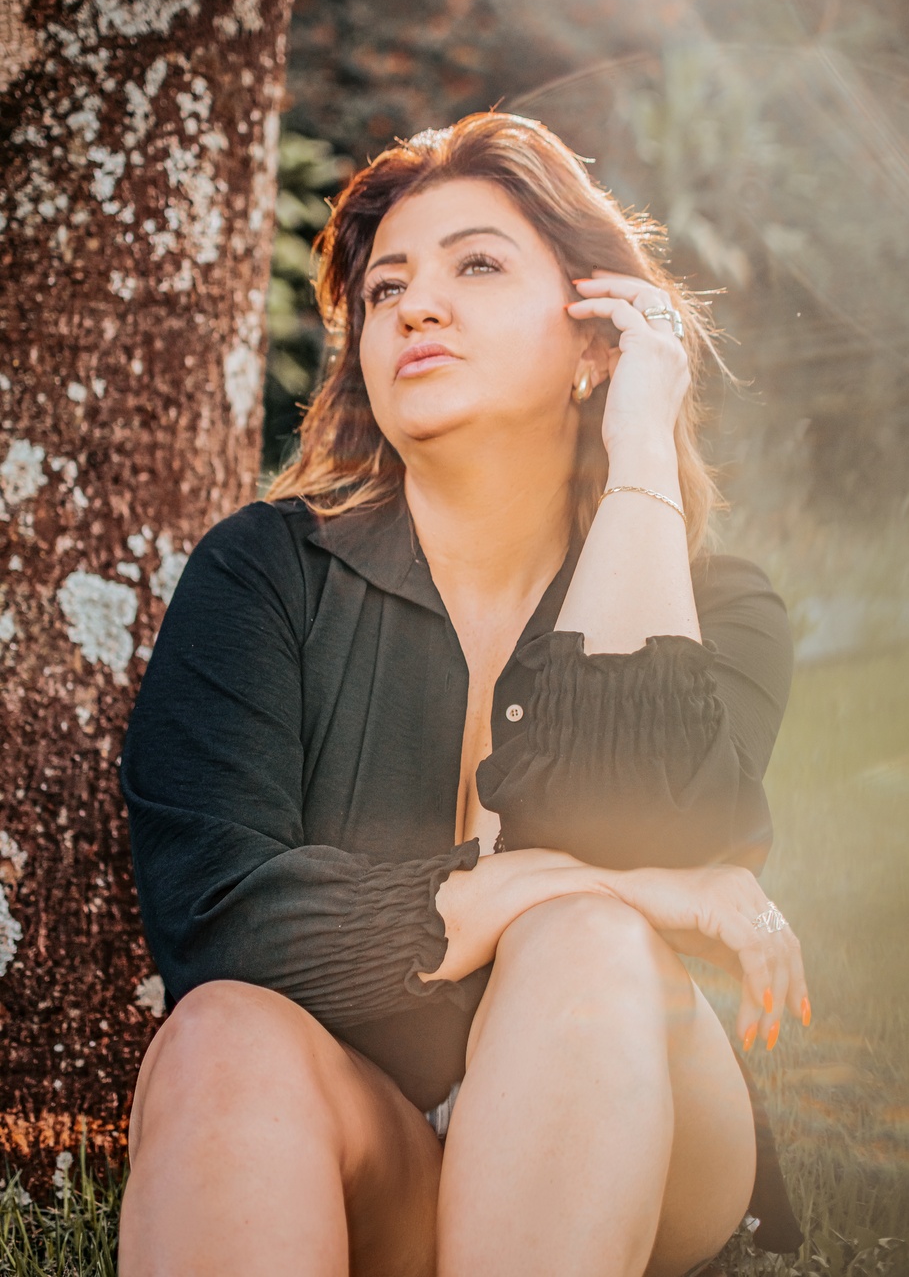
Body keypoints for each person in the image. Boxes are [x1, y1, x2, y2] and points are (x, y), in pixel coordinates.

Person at [117, 111, 810, 1277]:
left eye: (476, 266)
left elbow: (649, 812)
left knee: (585, 941)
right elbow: (219, 921)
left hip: (629, 1113)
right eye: (385, 289)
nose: (416, 307)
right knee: (218, 1034)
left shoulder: (717, 602)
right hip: (374, 1132)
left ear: (596, 338)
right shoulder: (261, 571)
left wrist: (640, 439)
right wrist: (618, 886)